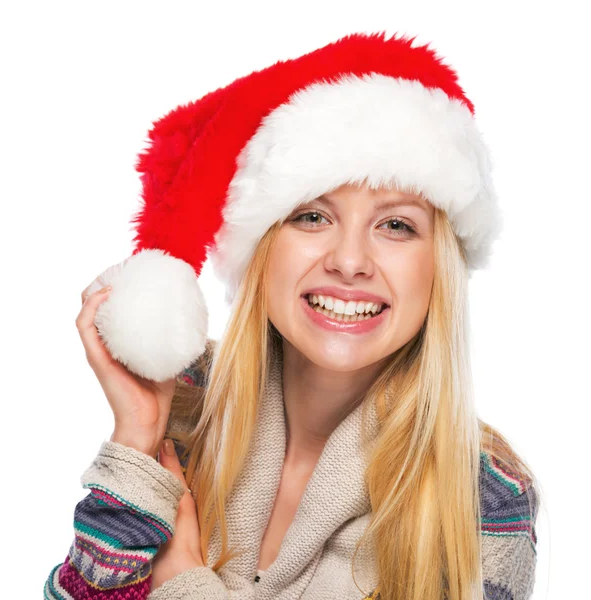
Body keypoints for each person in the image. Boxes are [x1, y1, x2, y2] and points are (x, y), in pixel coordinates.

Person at [43, 32, 539, 600]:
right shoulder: (185, 401)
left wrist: (184, 584)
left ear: (438, 268)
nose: (350, 261)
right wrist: (136, 441)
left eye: (396, 225)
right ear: (261, 249)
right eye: (310, 217)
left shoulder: (485, 496)